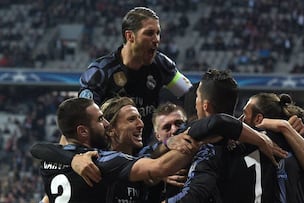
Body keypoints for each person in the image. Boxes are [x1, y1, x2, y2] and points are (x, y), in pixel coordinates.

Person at [33, 97, 199, 203]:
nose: (141, 124)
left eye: (140, 119)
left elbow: (40, 148)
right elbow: (159, 166)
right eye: (131, 120)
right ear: (111, 130)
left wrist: (169, 143)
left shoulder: (141, 156)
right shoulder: (102, 160)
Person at [165, 69, 287, 202]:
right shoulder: (258, 141)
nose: (195, 102)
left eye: (198, 97)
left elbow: (195, 193)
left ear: (205, 106)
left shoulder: (206, 144)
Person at [78, 7, 192, 145]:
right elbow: (82, 117)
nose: (156, 40)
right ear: (130, 36)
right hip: (109, 152)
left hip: (146, 149)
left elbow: (190, 95)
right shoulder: (100, 72)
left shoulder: (161, 65)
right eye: (149, 33)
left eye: (158, 33)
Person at [231, 92, 304, 203]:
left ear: (258, 119)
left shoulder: (248, 147)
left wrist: (284, 127)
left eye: (245, 114)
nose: (240, 119)